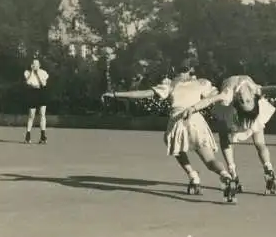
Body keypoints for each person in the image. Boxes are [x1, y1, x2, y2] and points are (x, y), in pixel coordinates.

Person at [101, 60, 237, 202]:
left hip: (178, 121)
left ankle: (192, 175)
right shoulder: (201, 83)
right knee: (210, 160)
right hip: (197, 122)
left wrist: (116, 94)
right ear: (191, 69)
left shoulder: (170, 85)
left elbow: (144, 93)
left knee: (175, 147)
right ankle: (225, 176)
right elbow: (218, 97)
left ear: (173, 68)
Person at [183, 75, 276, 195]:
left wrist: (193, 108)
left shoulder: (231, 94)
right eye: (244, 100)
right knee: (228, 139)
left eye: (245, 100)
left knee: (258, 142)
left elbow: (210, 100)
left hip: (239, 112)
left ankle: (268, 171)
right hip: (235, 113)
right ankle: (235, 174)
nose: (243, 97)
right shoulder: (253, 91)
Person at [24, 59, 49, 144]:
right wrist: (32, 72)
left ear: (39, 65)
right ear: (31, 65)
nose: (35, 65)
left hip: (41, 92)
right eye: (34, 64)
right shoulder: (27, 72)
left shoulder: (43, 72)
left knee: (42, 114)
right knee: (31, 115)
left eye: (37, 64)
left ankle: (43, 136)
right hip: (32, 93)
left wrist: (38, 73)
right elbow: (28, 82)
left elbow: (44, 84)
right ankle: (28, 135)